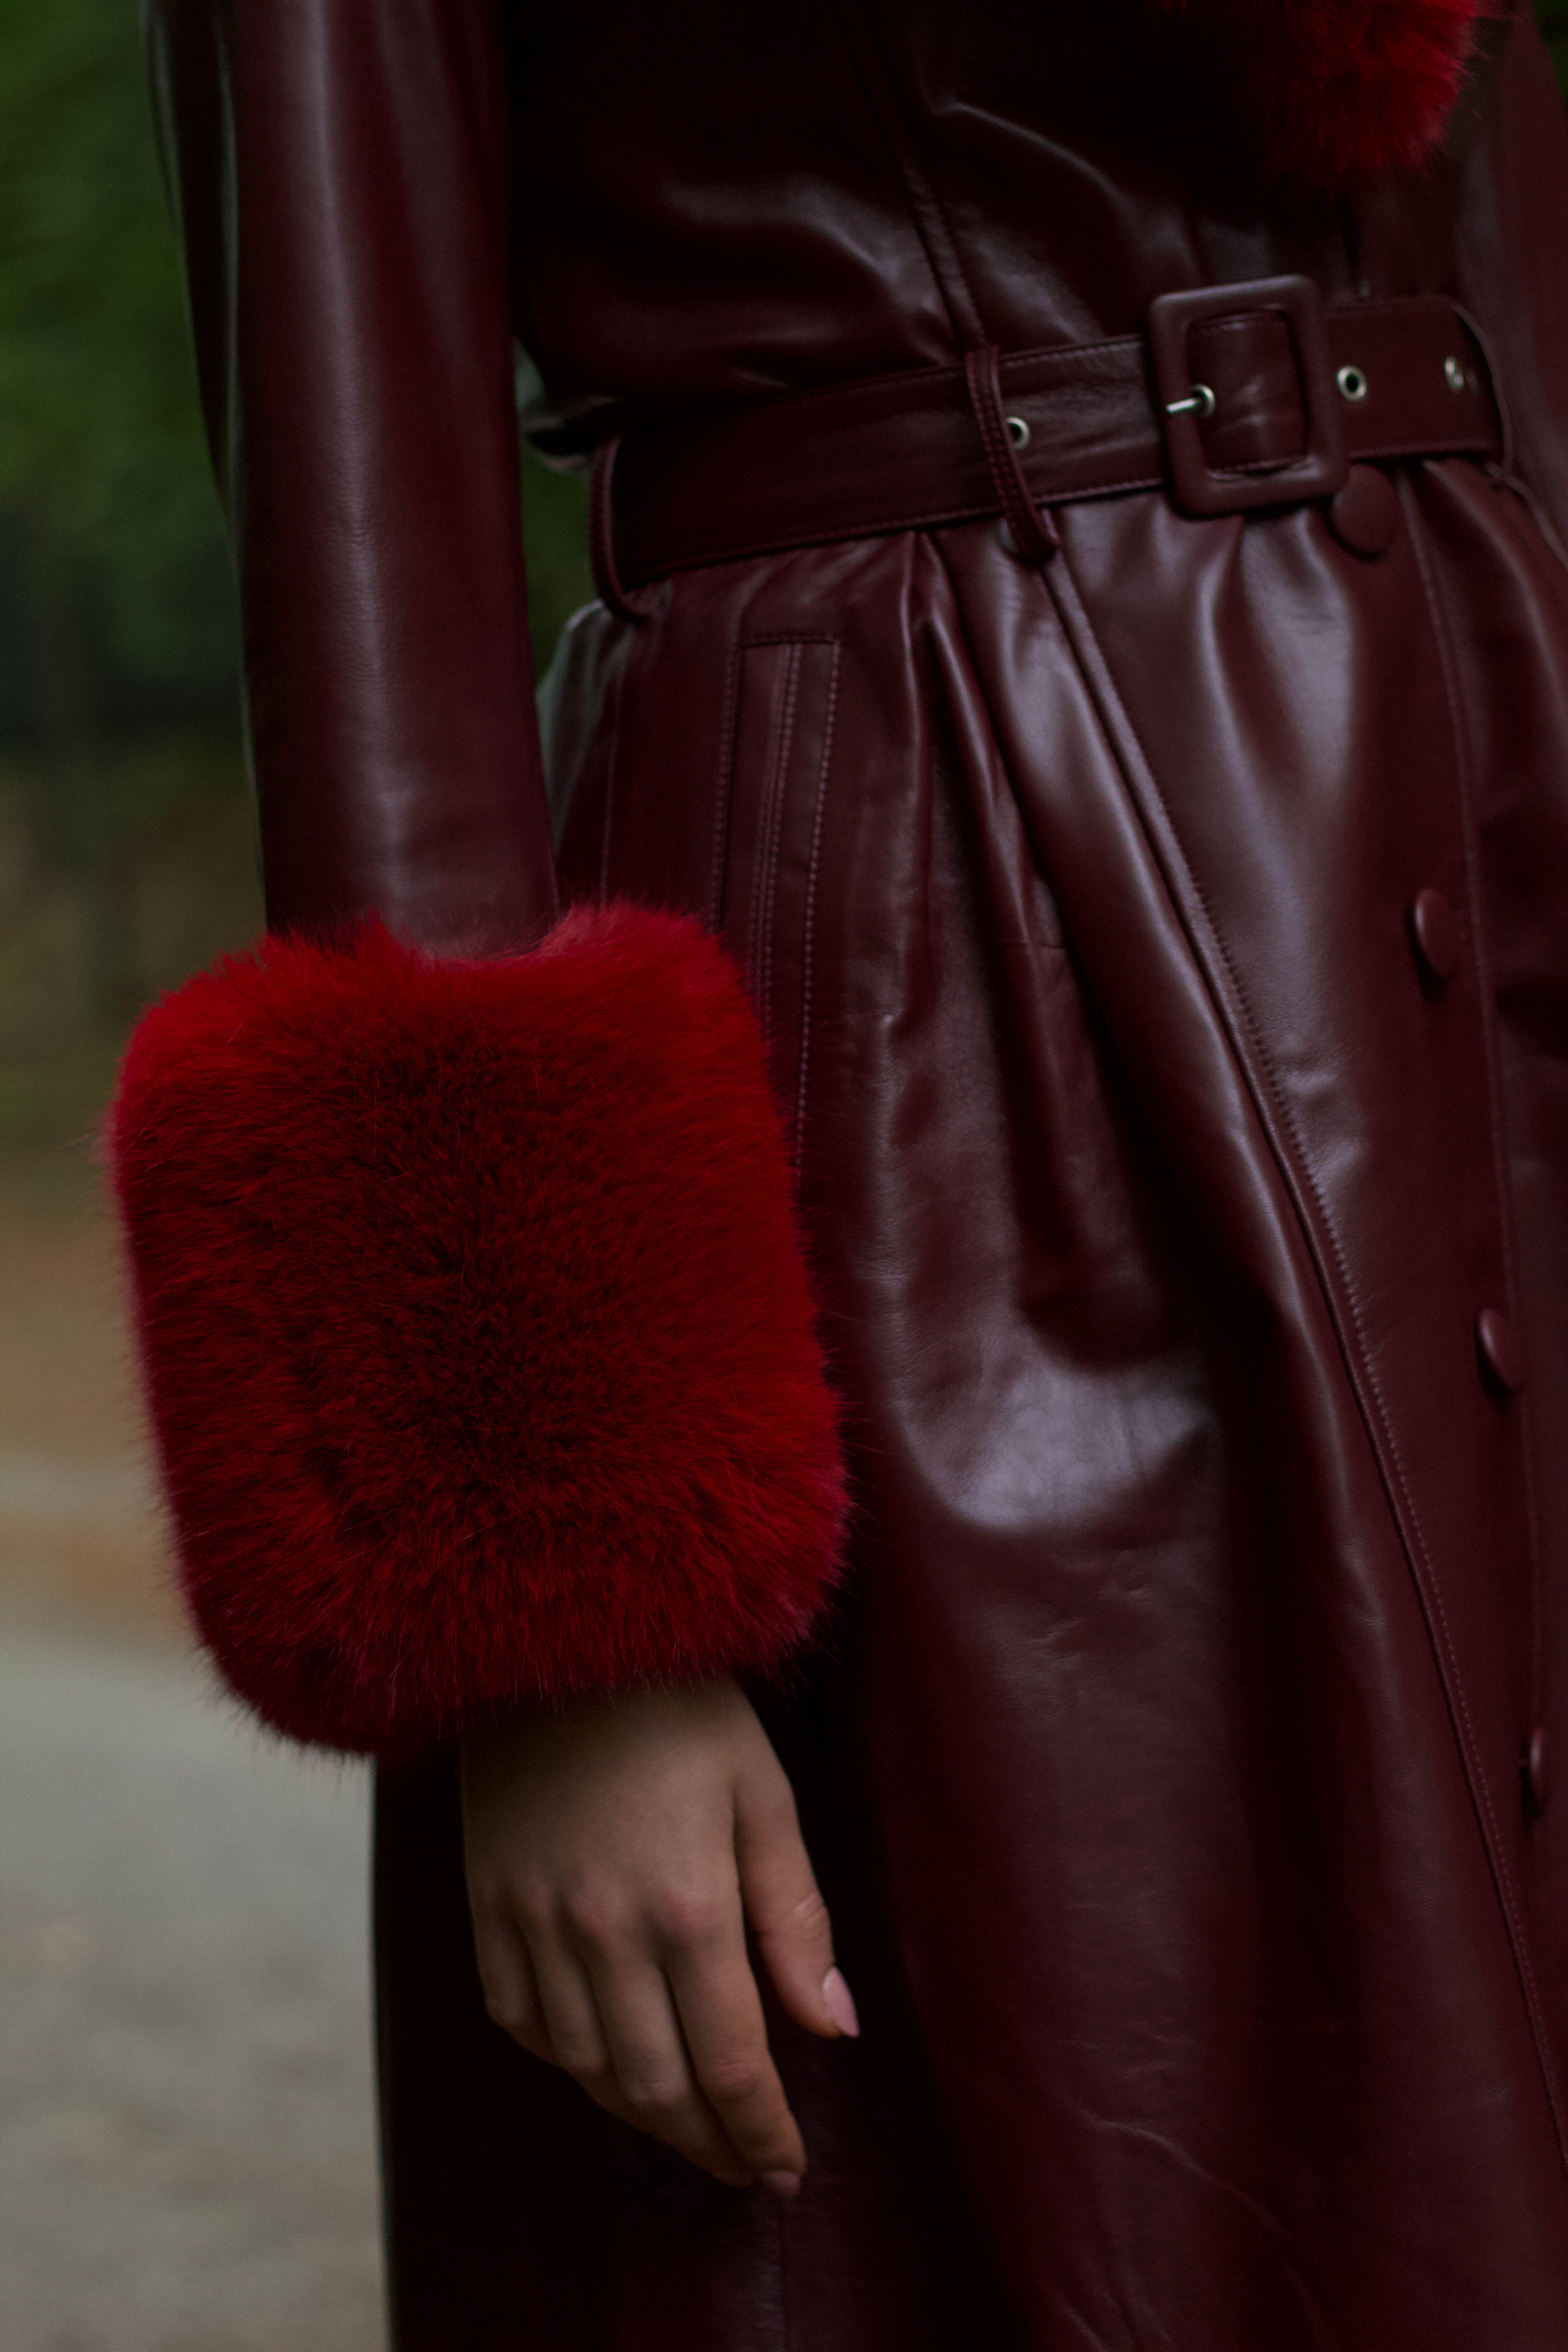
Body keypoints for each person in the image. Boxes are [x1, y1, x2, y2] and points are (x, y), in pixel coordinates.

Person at [112, 1, 1568, 2343]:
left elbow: (1490, 260)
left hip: (1481, 903)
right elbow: (358, 526)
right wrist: (560, 1593)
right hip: (951, 1009)